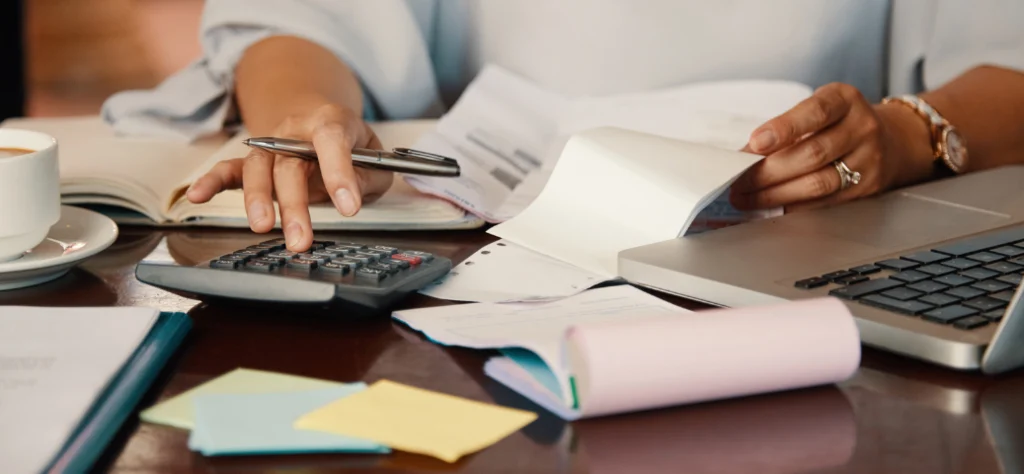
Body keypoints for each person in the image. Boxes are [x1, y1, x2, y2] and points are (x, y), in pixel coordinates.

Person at [105, 1, 1024, 252]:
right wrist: (308, 113)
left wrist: (907, 135)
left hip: (818, 234)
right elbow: (303, 19)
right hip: (480, 239)